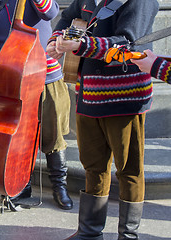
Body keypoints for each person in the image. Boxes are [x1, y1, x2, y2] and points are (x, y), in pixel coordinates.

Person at [47, 0, 159, 239]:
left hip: (124, 99)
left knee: (129, 169)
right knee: (93, 166)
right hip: (88, 95)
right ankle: (89, 233)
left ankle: (127, 235)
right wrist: (55, 41)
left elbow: (128, 44)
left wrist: (80, 45)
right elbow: (67, 18)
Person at [0, 0, 73, 210]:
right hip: (11, 83)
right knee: (19, 136)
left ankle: (59, 186)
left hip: (45, 75)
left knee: (53, 134)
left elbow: (50, 12)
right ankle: (19, 184)